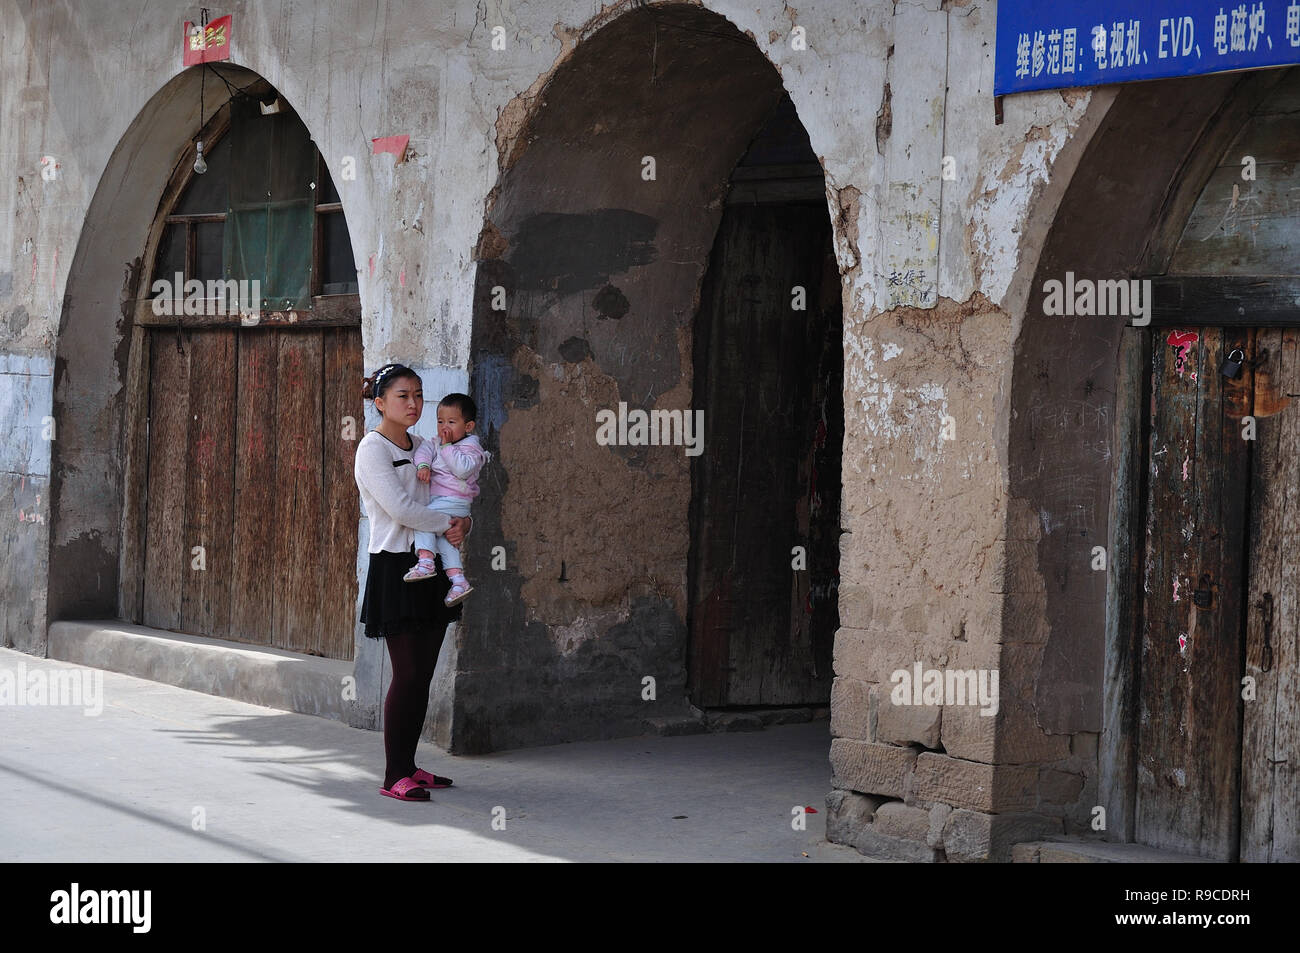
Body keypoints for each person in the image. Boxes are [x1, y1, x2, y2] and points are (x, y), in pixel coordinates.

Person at [354, 361, 474, 803]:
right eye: (403, 396)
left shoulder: (426, 445)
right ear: (380, 402)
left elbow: (451, 495)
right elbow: (402, 509)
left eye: (419, 395)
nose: (414, 403)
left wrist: (463, 525)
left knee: (423, 674)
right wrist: (448, 522)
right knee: (406, 674)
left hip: (434, 566)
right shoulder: (373, 448)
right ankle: (393, 776)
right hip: (396, 567)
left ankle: (410, 765)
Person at [402, 393, 491, 606]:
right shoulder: (435, 443)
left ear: (468, 426)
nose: (444, 427)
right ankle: (458, 580)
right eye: (440, 421)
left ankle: (425, 562)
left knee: (423, 520)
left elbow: (462, 470)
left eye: (451, 422)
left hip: (455, 500)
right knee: (445, 541)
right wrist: (423, 465)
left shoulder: (472, 448)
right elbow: (423, 451)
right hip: (442, 501)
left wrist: (447, 447)